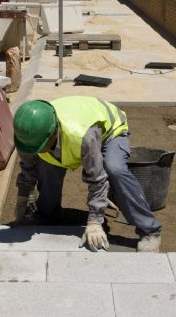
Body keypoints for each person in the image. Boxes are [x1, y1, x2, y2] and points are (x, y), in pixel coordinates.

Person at [13, 97, 162, 252]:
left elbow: (97, 179)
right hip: (73, 135)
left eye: (41, 147)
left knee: (114, 169)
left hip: (110, 130)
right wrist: (24, 196)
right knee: (47, 166)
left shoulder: (83, 136)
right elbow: (28, 166)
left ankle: (150, 230)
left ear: (53, 134)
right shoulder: (27, 134)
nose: (37, 151)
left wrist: (95, 222)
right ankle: (47, 216)